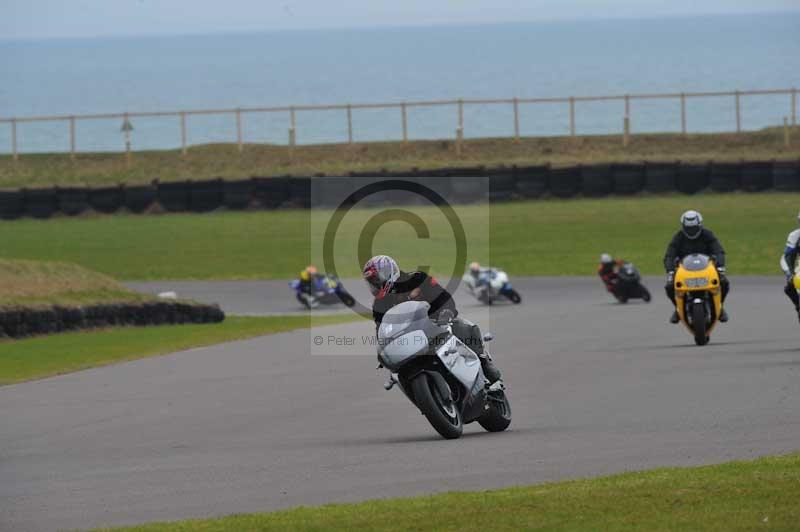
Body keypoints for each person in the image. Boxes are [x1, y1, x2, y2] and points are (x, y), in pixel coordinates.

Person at [363, 255, 502, 384]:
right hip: (411, 338)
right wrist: (383, 349)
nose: (375, 285)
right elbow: (381, 329)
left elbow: (443, 297)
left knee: (463, 327)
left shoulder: (418, 279)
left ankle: (483, 361)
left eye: (376, 280)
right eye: (371, 283)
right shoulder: (379, 303)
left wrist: (446, 314)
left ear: (389, 272)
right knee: (399, 374)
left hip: (437, 323)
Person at [663, 210, 729, 324]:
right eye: (688, 228)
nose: (691, 231)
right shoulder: (678, 237)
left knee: (724, 282)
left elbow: (719, 251)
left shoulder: (707, 234)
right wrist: (670, 271)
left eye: (693, 228)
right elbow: (669, 255)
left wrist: (720, 266)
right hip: (684, 270)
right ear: (683, 226)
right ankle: (678, 309)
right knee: (669, 286)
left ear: (699, 225)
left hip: (707, 269)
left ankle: (720, 307)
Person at [779, 210, 800, 322]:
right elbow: (785, 258)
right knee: (789, 288)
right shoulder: (795, 235)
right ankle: (798, 305)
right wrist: (789, 274)